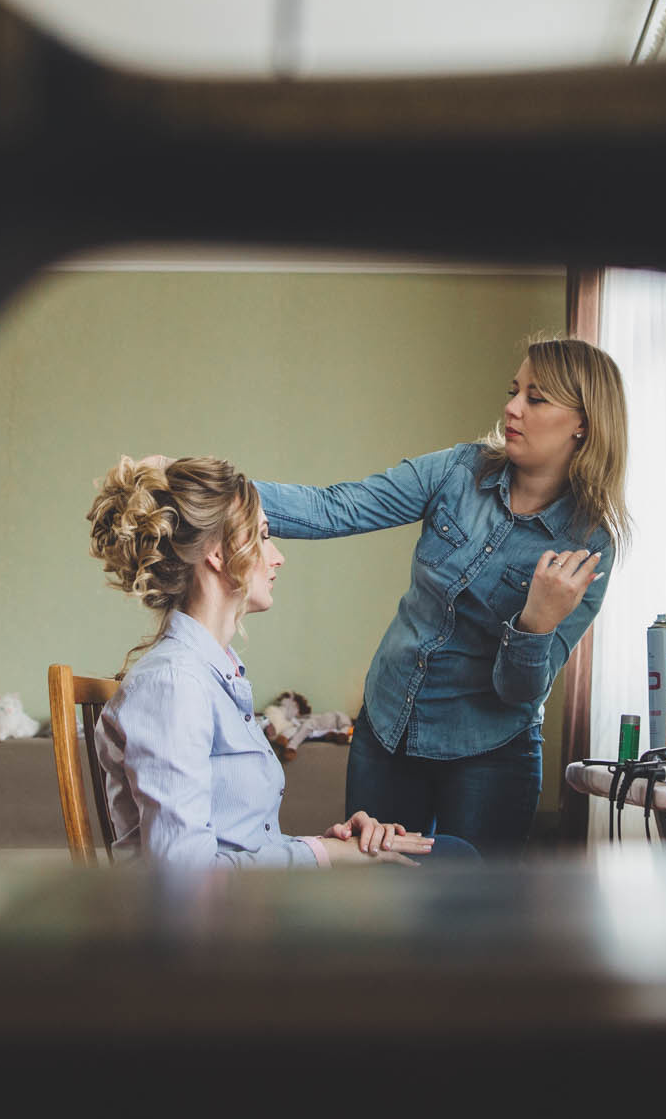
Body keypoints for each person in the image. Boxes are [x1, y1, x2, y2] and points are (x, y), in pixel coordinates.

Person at [253, 335, 630, 851]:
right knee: (379, 907)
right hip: (388, 729)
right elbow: (335, 508)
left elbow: (517, 693)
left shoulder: (589, 545)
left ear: (584, 422)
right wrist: (211, 491)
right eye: (515, 390)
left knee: (469, 921)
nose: (512, 407)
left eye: (536, 398)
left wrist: (536, 625)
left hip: (491, 754)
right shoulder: (458, 469)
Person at [86, 454, 445, 868]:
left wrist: (337, 846)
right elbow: (183, 883)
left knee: (448, 858)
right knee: (458, 865)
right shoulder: (173, 685)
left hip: (248, 909)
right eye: (263, 536)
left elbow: (237, 842)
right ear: (219, 555)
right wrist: (324, 854)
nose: (277, 557)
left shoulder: (214, 671)